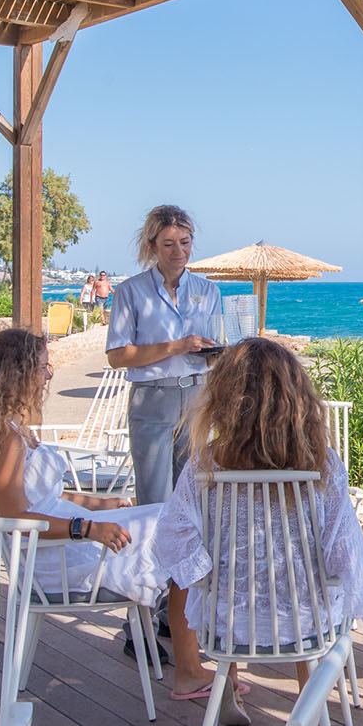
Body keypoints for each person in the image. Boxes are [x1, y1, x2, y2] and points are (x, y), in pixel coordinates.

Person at [152, 338, 363, 722]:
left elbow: (173, 535)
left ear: (225, 396)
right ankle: (311, 714)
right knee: (314, 595)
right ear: (296, 395)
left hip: (228, 621)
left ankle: (229, 683)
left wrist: (206, 576)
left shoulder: (206, 465)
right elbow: (344, 550)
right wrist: (342, 586)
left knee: (229, 573)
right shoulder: (323, 465)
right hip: (304, 621)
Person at [0, 327, 164, 603]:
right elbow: (14, 519)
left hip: (61, 538)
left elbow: (46, 498)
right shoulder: (5, 438)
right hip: (56, 558)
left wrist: (101, 503)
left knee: (167, 517)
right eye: (41, 367)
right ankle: (182, 634)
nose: (48, 375)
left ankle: (160, 632)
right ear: (16, 374)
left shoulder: (15, 427)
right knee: (173, 527)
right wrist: (87, 528)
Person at [105, 206, 222, 508]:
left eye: (184, 242)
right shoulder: (130, 292)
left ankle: (190, 556)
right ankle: (151, 555)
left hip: (197, 397)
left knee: (193, 496)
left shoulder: (208, 291)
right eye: (168, 244)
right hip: (152, 397)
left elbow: (213, 350)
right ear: (152, 245)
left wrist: (220, 354)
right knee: (154, 497)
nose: (178, 251)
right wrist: (175, 346)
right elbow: (117, 356)